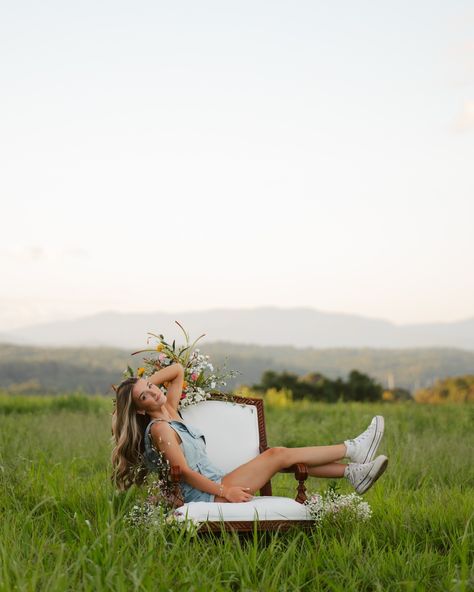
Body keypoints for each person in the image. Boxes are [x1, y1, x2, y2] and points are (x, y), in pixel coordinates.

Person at [111, 362, 388, 503]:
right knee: (278, 454)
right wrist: (226, 492)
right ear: (139, 410)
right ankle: (352, 449)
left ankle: (353, 473)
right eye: (144, 397)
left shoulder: (171, 412)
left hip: (216, 483)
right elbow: (183, 473)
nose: (153, 394)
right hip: (208, 493)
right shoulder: (160, 429)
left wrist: (144, 383)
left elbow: (177, 369)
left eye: (151, 387)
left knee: (282, 457)